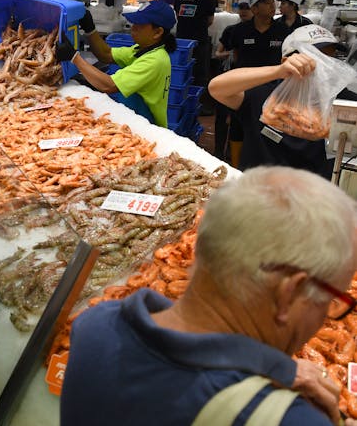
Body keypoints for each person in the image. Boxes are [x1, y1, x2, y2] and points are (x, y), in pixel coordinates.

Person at [62, 165, 357, 426]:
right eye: (332, 301)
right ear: (288, 293)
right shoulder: (292, 419)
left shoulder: (94, 326)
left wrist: (273, 370)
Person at [209, 24, 346, 177]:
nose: (327, 66)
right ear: (289, 60)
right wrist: (277, 71)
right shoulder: (264, 96)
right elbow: (216, 88)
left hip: (310, 194)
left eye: (331, 59)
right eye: (318, 58)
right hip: (258, 192)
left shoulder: (341, 102)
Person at [59, 1, 176, 127]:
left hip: (146, 127)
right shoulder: (141, 50)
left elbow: (109, 85)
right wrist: (90, 29)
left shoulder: (155, 60)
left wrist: (74, 57)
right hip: (134, 120)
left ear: (158, 32)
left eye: (140, 24)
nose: (133, 27)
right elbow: (106, 54)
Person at [213, 0, 253, 165]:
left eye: (247, 7)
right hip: (228, 79)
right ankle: (217, 152)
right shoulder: (232, 30)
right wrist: (229, 55)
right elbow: (218, 53)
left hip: (248, 83)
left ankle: (234, 155)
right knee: (222, 118)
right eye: (241, 7)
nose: (243, 11)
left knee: (240, 121)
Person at [174, 0, 218, 91]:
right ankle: (196, 100)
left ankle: (179, 95)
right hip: (199, 39)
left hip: (181, 39)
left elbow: (177, 14)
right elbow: (210, 20)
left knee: (181, 70)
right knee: (199, 73)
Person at [227, 0, 289, 69]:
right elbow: (236, 54)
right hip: (246, 78)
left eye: (273, 2)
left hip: (274, 78)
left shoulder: (283, 29)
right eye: (267, 3)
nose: (272, 6)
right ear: (254, 9)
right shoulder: (240, 29)